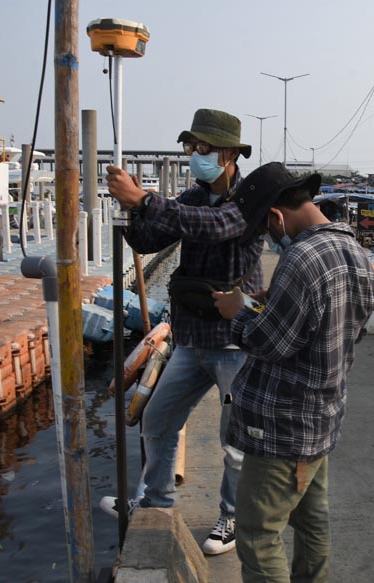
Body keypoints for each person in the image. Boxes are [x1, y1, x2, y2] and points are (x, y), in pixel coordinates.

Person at [99, 108, 261, 556]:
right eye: (191, 147)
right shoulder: (193, 196)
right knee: (158, 419)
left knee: (236, 442)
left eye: (203, 147)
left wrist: (147, 201)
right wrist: (133, 209)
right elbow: (150, 240)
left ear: (229, 153)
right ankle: (155, 501)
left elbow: (212, 227)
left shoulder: (247, 202)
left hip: (233, 342)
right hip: (192, 339)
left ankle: (233, 518)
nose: (195, 155)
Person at [212, 162, 374, 583]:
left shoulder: (300, 258)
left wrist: (237, 313)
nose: (268, 237)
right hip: (321, 417)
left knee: (257, 535)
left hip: (281, 426)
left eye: (264, 227)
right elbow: (348, 326)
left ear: (276, 216)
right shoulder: (354, 250)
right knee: (312, 521)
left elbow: (269, 342)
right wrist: (274, 301)